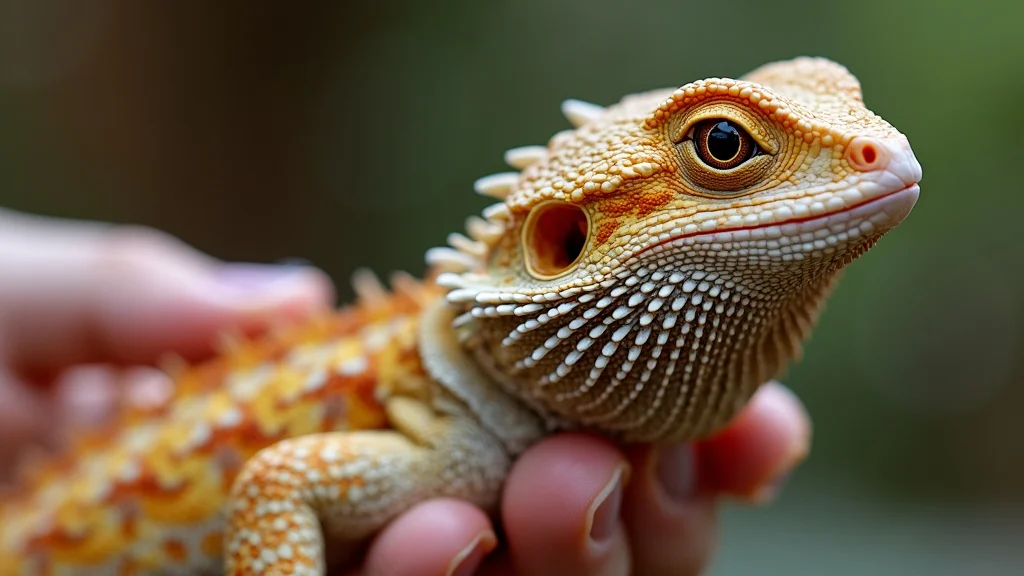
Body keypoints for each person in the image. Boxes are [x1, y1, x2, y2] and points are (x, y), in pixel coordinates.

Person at [0, 208, 810, 575]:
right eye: (726, 148)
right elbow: (278, 487)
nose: (878, 154)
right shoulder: (448, 428)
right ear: (563, 237)